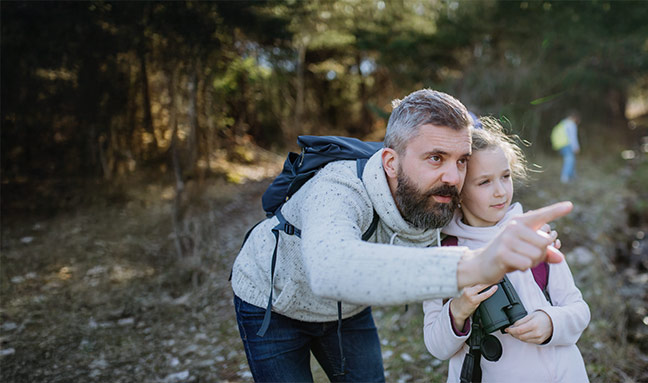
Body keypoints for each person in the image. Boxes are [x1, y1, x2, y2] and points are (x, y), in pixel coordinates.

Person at [230, 89, 572, 382]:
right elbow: (329, 267)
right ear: (391, 162)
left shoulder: (439, 194)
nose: (453, 177)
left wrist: (531, 239)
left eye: (462, 160)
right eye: (435, 157)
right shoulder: (337, 188)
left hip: (345, 309)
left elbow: (485, 220)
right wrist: (474, 265)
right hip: (271, 303)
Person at [423, 118, 590, 383]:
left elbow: (579, 310)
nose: (500, 192)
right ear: (459, 190)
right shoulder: (443, 255)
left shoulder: (535, 236)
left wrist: (550, 323)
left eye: (506, 176)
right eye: (484, 182)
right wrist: (459, 309)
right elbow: (436, 347)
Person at [550, 111, 580, 183]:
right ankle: (565, 177)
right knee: (569, 160)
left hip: (560, 145)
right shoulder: (571, 124)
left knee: (571, 159)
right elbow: (572, 137)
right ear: (575, 118)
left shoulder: (563, 123)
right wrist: (576, 147)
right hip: (566, 144)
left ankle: (572, 175)